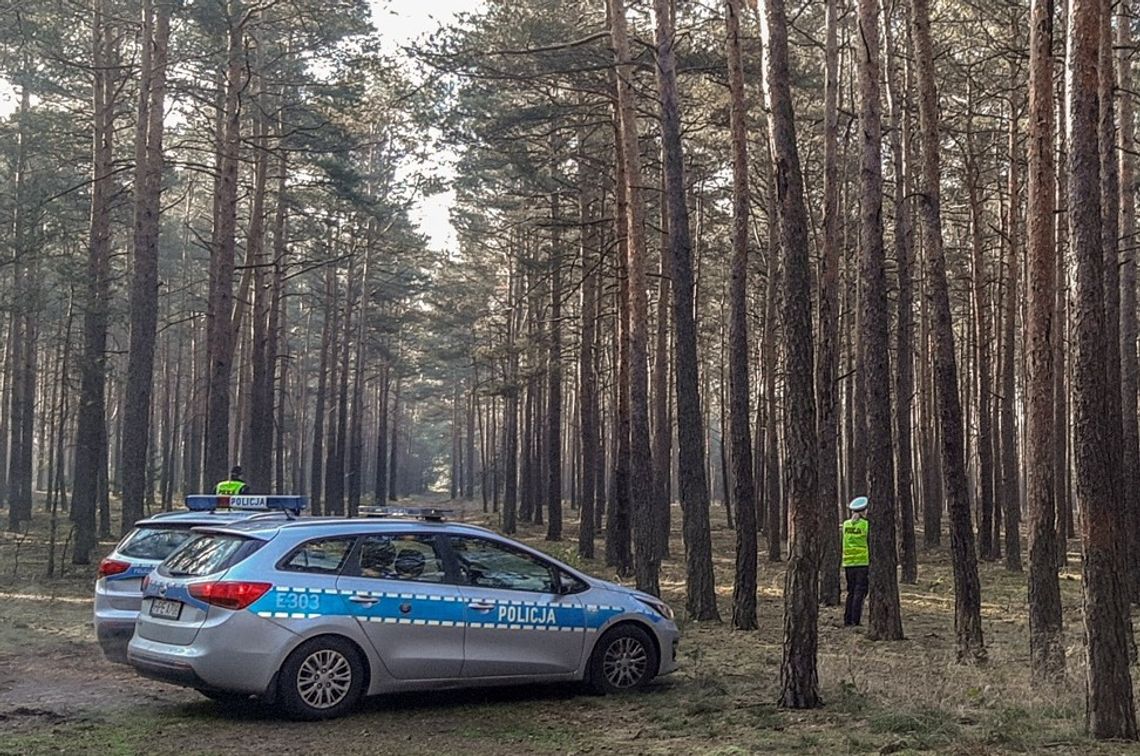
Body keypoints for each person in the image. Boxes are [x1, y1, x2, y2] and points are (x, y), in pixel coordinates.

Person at [842, 495, 870, 627]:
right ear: (863, 511)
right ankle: (855, 620)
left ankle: (847, 619)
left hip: (848, 563)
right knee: (860, 592)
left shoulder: (846, 525)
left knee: (851, 591)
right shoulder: (866, 525)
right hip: (862, 562)